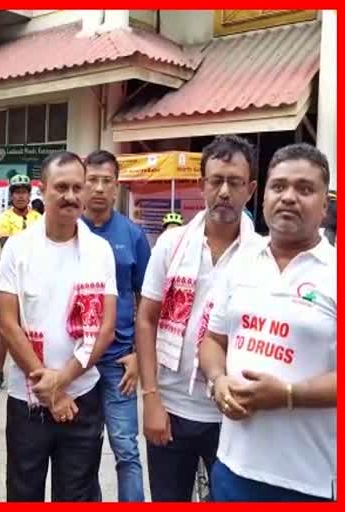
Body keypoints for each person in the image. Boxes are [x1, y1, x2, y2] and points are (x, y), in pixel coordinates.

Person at [200, 143, 336, 502]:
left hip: (312, 481)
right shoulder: (241, 263)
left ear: (325, 206)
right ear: (263, 198)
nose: (289, 197)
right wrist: (218, 381)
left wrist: (289, 396)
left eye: (304, 189)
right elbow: (213, 341)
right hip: (233, 469)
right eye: (279, 187)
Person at [135, 135, 262, 502]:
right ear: (202, 184)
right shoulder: (171, 246)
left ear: (250, 189)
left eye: (235, 182)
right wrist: (151, 399)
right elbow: (147, 319)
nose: (224, 191)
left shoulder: (263, 257)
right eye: (216, 180)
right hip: (171, 408)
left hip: (234, 415)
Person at [0, 151, 118, 501]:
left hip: (81, 398)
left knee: (77, 495)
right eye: (61, 187)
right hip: (27, 400)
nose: (71, 195)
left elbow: (106, 328)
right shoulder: (17, 249)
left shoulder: (99, 251)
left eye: (77, 187)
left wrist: (61, 382)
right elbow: (7, 324)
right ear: (42, 190)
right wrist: (49, 390)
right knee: (24, 494)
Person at [80, 150, 150, 502]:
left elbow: (147, 303)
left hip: (119, 362)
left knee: (126, 451)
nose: (98, 188)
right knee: (82, 453)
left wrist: (138, 355)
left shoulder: (133, 235)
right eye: (91, 179)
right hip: (76, 362)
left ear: (116, 186)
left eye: (106, 181)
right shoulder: (67, 231)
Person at [0, 174, 42, 393]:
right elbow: (7, 248)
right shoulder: (4, 219)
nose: (21, 196)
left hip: (35, 278)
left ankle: (34, 366)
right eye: (17, 192)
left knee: (34, 326)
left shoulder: (39, 217)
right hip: (11, 279)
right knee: (5, 329)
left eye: (24, 192)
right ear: (11, 196)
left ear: (30, 195)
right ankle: (0, 372)